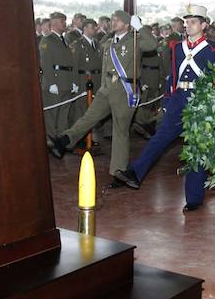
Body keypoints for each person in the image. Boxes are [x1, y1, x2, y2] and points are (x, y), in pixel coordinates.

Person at [113, 5, 215, 211]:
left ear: (204, 25)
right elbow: (172, 76)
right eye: (186, 22)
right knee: (159, 138)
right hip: (178, 100)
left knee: (196, 148)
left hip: (201, 102)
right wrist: (167, 101)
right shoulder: (177, 47)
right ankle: (135, 174)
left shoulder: (213, 49)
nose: (188, 26)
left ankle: (194, 198)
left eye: (193, 22)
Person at [51, 10, 158, 181]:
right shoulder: (108, 42)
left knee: (120, 131)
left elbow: (152, 45)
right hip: (106, 89)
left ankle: (118, 171)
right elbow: (105, 67)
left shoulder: (135, 41)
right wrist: (101, 87)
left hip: (124, 90)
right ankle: (64, 141)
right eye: (113, 19)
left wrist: (140, 27)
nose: (113, 22)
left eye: (118, 20)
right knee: (89, 118)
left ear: (127, 24)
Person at [39, 12, 77, 147]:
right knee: (52, 113)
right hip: (55, 81)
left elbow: (70, 63)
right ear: (54, 23)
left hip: (66, 81)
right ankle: (50, 140)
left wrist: (73, 81)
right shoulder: (47, 40)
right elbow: (46, 63)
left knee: (63, 113)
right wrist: (51, 83)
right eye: (62, 21)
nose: (65, 24)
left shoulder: (64, 40)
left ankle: (61, 139)